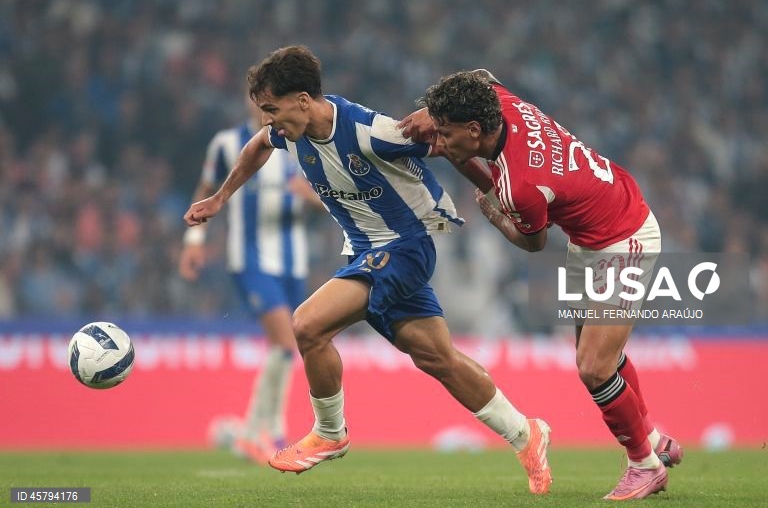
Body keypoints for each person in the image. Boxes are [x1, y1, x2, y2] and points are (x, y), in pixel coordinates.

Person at [184, 45, 553, 495]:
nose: (267, 121)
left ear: (302, 99)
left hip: (406, 247)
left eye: (271, 109)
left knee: (307, 325)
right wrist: (221, 197)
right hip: (366, 252)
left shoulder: (370, 132)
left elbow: (454, 144)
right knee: (439, 359)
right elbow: (258, 146)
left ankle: (330, 432)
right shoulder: (290, 132)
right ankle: (525, 434)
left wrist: (500, 192)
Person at [400, 70, 683, 501]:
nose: (439, 138)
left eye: (446, 132)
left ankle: (644, 465)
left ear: (474, 130)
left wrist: (493, 214)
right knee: (600, 356)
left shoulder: (521, 187)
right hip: (595, 230)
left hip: (623, 238)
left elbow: (532, 242)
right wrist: (431, 115)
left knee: (594, 366)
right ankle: (653, 437)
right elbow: (479, 75)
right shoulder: (499, 99)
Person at [179, 96, 322, 464]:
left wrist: (313, 198)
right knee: (285, 340)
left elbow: (332, 198)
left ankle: (257, 430)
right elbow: (205, 188)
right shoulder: (227, 144)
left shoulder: (302, 144)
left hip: (294, 262)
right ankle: (264, 430)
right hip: (250, 259)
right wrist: (194, 240)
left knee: (289, 347)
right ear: (250, 99)